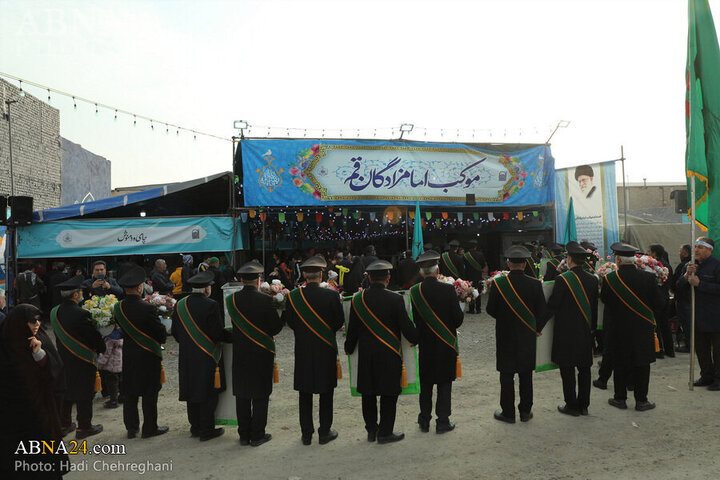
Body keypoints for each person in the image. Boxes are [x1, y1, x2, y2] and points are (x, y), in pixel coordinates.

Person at [345, 260, 418, 444]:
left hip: (367, 355)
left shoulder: (357, 300)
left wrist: (348, 348)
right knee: (388, 395)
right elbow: (405, 326)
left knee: (368, 395)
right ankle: (385, 433)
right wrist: (416, 338)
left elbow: (351, 330)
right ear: (388, 278)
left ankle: (371, 431)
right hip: (389, 354)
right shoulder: (395, 299)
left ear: (369, 278)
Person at [0, 304, 68, 478]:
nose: (37, 324)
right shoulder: (6, 345)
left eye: (39, 319)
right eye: (32, 320)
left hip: (40, 419)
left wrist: (40, 355)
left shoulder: (40, 339)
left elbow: (56, 373)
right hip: (13, 425)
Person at [284, 256, 344, 446]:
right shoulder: (332, 296)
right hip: (326, 349)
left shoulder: (293, 296)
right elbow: (338, 322)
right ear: (320, 275)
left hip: (303, 350)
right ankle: (324, 432)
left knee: (305, 393)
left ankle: (306, 434)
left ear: (304, 275)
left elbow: (291, 323)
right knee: (326, 393)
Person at [486, 245, 548, 423]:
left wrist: (505, 319)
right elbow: (542, 312)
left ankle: (508, 413)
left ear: (508, 263)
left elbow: (491, 309)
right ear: (525, 264)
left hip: (505, 335)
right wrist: (536, 328)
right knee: (525, 374)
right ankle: (525, 412)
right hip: (527, 335)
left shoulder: (498, 283)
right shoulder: (535, 284)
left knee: (506, 375)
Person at [227, 260, 283, 446]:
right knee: (260, 394)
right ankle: (257, 434)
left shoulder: (231, 300)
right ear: (259, 280)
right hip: (262, 352)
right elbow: (275, 329)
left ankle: (243, 435)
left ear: (241, 280)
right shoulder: (266, 300)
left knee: (242, 394)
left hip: (240, 352)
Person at [602, 242, 664, 411]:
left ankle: (620, 399)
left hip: (618, 329)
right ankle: (641, 400)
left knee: (620, 363)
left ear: (618, 260)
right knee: (642, 364)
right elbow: (659, 303)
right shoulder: (649, 278)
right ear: (634, 260)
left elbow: (605, 301)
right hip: (643, 329)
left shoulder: (609, 279)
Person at [409, 251, 464, 433]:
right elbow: (457, 319)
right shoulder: (448, 290)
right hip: (445, 344)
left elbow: (413, 319)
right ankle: (442, 421)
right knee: (444, 383)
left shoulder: (414, 292)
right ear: (437, 269)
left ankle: (424, 420)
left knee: (426, 384)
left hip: (425, 344)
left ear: (422, 272)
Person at [172, 270, 230, 442]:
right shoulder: (211, 304)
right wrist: (233, 337)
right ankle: (207, 430)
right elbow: (217, 333)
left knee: (192, 391)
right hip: (207, 355)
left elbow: (175, 333)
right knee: (207, 392)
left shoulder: (180, 304)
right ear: (206, 289)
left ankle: (195, 427)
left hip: (187, 356)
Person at [114, 265, 169, 438]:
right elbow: (161, 334)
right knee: (149, 392)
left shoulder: (118, 308)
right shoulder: (147, 308)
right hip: (148, 356)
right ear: (139, 288)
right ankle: (149, 428)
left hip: (129, 354)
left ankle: (132, 428)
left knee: (130, 392)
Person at [51, 276, 106, 439]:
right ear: (75, 295)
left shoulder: (54, 312)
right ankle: (84, 427)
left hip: (63, 357)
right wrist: (101, 348)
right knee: (85, 393)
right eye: (81, 291)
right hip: (82, 360)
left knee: (66, 391)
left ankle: (64, 424)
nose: (82, 294)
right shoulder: (81, 314)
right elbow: (92, 336)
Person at [548, 242, 598, 416]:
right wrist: (592, 329)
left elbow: (553, 305)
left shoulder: (562, 279)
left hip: (565, 332)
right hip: (585, 331)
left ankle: (571, 405)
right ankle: (584, 406)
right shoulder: (593, 280)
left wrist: (538, 325)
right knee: (584, 369)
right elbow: (594, 308)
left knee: (567, 369)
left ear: (569, 259)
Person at [676, 237, 720, 389]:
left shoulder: (717, 266)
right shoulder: (690, 265)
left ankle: (718, 379)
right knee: (701, 348)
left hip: (715, 315)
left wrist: (701, 284)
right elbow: (679, 287)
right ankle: (706, 376)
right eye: (695, 247)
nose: (696, 250)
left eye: (700, 247)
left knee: (718, 349)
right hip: (696, 315)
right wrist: (686, 276)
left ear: (709, 249)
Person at [648, 244, 674, 358]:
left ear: (654, 253)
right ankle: (670, 350)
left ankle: (659, 350)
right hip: (666, 297)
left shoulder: (653, 265)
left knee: (656, 325)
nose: (647, 253)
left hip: (656, 299)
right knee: (665, 325)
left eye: (649, 251)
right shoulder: (668, 265)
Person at [673, 244, 693, 352]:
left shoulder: (684, 265)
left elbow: (677, 285)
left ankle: (690, 346)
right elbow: (679, 283)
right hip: (685, 299)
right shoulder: (687, 266)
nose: (679, 253)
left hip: (685, 300)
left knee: (687, 323)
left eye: (680, 251)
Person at [463, 240, 486, 313]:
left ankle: (471, 309)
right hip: (478, 275)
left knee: (470, 292)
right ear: (476, 246)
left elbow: (463, 266)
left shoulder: (465, 255)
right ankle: (478, 309)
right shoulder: (480, 254)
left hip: (469, 276)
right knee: (478, 292)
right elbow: (483, 265)